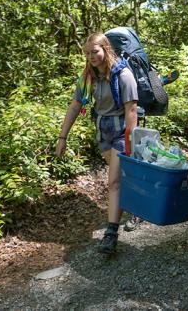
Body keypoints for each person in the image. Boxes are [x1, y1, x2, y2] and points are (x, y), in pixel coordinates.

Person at [56, 32, 138, 254]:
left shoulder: (123, 75)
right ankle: (134, 206)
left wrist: (130, 143)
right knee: (120, 179)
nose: (91, 56)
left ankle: (111, 234)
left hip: (122, 132)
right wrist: (62, 137)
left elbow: (131, 110)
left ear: (106, 49)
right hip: (103, 131)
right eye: (88, 53)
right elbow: (75, 106)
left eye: (95, 51)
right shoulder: (88, 77)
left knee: (113, 182)